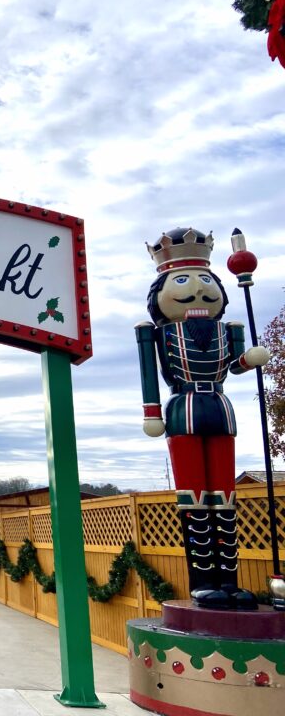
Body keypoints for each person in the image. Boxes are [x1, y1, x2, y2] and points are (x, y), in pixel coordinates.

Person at [137, 227, 269, 610]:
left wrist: (250, 359)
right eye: (181, 280)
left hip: (221, 409)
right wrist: (151, 412)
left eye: (205, 280)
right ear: (160, 292)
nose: (197, 290)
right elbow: (150, 373)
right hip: (183, 410)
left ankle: (230, 580)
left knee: (224, 497)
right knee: (194, 497)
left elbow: (237, 364)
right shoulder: (158, 334)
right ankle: (202, 581)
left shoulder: (228, 330)